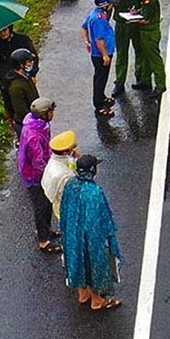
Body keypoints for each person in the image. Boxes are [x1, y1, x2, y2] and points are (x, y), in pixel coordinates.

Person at [60, 154, 122, 311]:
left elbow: (64, 210)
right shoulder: (94, 192)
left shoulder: (70, 185)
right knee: (94, 265)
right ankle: (97, 300)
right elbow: (101, 218)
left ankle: (83, 293)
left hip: (72, 234)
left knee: (77, 262)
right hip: (90, 237)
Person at [17, 98, 62, 254]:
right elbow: (37, 161)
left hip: (40, 172)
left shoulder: (39, 125)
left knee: (47, 201)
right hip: (35, 176)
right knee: (41, 206)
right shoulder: (33, 135)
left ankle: (47, 229)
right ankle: (43, 240)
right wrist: (50, 174)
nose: (53, 114)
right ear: (44, 114)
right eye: (51, 111)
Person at [120, 0, 166, 93]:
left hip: (150, 33)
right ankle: (145, 80)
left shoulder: (148, 1)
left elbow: (145, 20)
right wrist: (137, 11)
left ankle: (160, 85)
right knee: (145, 58)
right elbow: (145, 10)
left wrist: (133, 20)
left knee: (154, 60)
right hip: (146, 33)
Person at [0, 24, 36, 121]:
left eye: (4, 30)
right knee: (12, 107)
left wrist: (32, 74)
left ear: (9, 28)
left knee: (31, 101)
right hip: (6, 81)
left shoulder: (23, 40)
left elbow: (33, 58)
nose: (2, 34)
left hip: (24, 77)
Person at [82, 0, 118, 116]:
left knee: (101, 77)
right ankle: (99, 106)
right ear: (105, 5)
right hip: (101, 55)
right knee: (100, 79)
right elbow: (99, 40)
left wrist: (87, 41)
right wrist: (105, 55)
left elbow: (83, 27)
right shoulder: (98, 20)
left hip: (100, 53)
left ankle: (102, 97)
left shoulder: (97, 14)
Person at [42, 130, 80, 220]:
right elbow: (71, 195)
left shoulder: (53, 160)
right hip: (66, 208)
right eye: (72, 148)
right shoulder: (64, 176)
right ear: (65, 152)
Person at [4, 48, 42, 132]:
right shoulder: (16, 87)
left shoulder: (26, 77)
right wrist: (35, 122)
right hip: (27, 126)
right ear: (21, 65)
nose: (32, 63)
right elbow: (21, 111)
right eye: (29, 62)